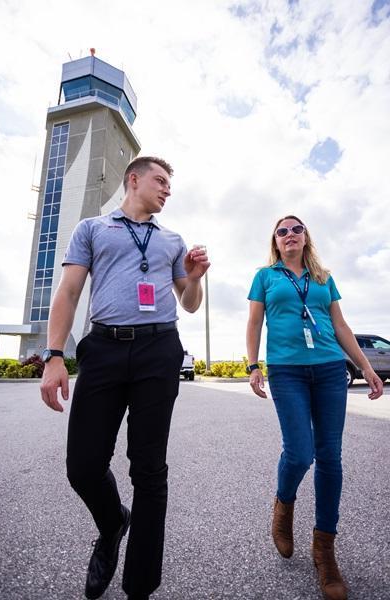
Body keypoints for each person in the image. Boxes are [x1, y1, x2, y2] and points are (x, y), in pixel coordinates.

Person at [40, 156, 210, 600]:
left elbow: (189, 303)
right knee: (83, 466)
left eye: (170, 184)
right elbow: (71, 292)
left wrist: (194, 279)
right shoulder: (92, 229)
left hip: (159, 349)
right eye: (160, 181)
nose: (167, 189)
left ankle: (140, 585)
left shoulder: (172, 239)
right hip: (104, 348)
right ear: (132, 180)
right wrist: (54, 355)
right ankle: (113, 521)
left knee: (149, 469)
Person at [246, 215, 383, 600]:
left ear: (306, 237)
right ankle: (283, 505)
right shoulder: (266, 276)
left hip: (328, 370)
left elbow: (340, 325)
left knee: (330, 457)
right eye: (281, 231)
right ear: (275, 240)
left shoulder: (323, 277)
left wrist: (366, 367)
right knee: (299, 452)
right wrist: (253, 365)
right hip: (287, 371)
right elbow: (254, 322)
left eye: (296, 229)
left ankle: (324, 550)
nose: (289, 234)